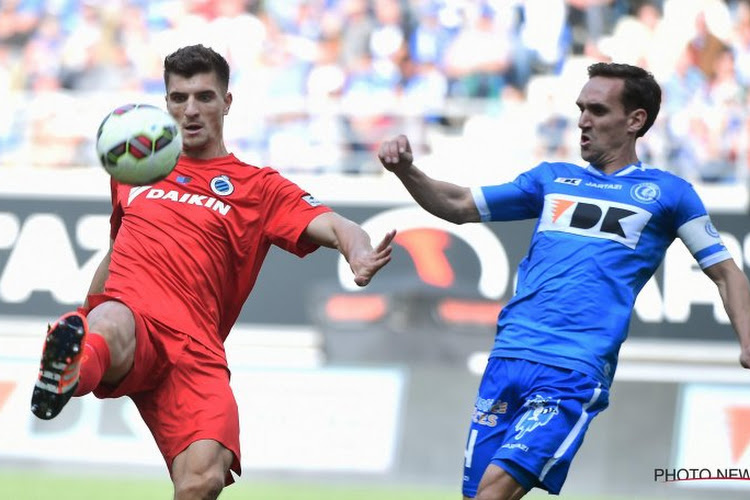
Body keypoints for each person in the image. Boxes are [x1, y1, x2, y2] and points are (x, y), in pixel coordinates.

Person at [30, 44, 395, 500]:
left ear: (227, 101)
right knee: (110, 321)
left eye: (204, 96)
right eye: (178, 98)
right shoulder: (133, 168)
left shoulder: (258, 187)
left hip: (195, 350)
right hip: (133, 322)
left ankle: (80, 357)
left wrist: (356, 250)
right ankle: (70, 371)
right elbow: (116, 247)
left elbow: (335, 225)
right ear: (166, 104)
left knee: (203, 479)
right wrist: (86, 316)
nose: (190, 110)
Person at [378, 62, 750, 499]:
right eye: (580, 108)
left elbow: (725, 271)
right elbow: (459, 204)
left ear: (635, 121)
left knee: (491, 495)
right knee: (476, 494)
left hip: (572, 368)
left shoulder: (670, 194)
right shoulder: (550, 179)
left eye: (597, 110)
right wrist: (407, 171)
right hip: (508, 357)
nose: (582, 121)